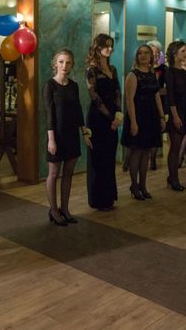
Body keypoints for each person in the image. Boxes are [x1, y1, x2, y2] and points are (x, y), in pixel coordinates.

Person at [43, 49, 92, 226]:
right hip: (56, 135)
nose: (65, 65)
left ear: (72, 65)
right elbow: (49, 114)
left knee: (68, 174)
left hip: (72, 134)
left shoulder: (74, 85)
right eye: (61, 62)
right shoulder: (49, 85)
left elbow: (78, 110)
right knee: (53, 174)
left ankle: (65, 208)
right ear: (55, 64)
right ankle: (54, 210)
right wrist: (51, 139)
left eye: (68, 62)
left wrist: (84, 132)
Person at [121, 45, 166, 200]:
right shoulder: (133, 75)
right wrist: (134, 122)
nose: (143, 55)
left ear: (151, 56)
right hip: (137, 116)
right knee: (136, 152)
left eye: (146, 53)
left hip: (151, 116)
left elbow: (156, 96)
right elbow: (129, 100)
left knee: (146, 152)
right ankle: (134, 185)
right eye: (140, 53)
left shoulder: (153, 74)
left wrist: (161, 116)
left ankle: (143, 185)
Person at [86, 34, 122, 212]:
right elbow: (95, 97)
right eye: (106, 46)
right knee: (98, 159)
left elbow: (118, 92)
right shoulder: (91, 70)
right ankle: (98, 199)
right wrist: (110, 118)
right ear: (97, 47)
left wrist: (118, 114)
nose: (110, 49)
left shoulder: (113, 69)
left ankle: (109, 197)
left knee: (109, 157)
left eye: (111, 46)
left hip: (113, 116)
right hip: (98, 118)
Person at [164, 41, 186, 191]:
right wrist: (175, 116)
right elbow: (171, 96)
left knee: (179, 145)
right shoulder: (170, 72)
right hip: (175, 111)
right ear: (175, 54)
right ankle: (173, 179)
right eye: (183, 51)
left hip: (184, 110)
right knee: (175, 147)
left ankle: (172, 178)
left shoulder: (182, 71)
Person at [148, 40, 166, 170]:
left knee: (156, 132)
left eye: (157, 52)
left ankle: (153, 158)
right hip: (144, 103)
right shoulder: (141, 68)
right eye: (153, 52)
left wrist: (157, 91)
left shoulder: (163, 69)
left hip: (159, 103)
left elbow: (167, 89)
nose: (155, 55)